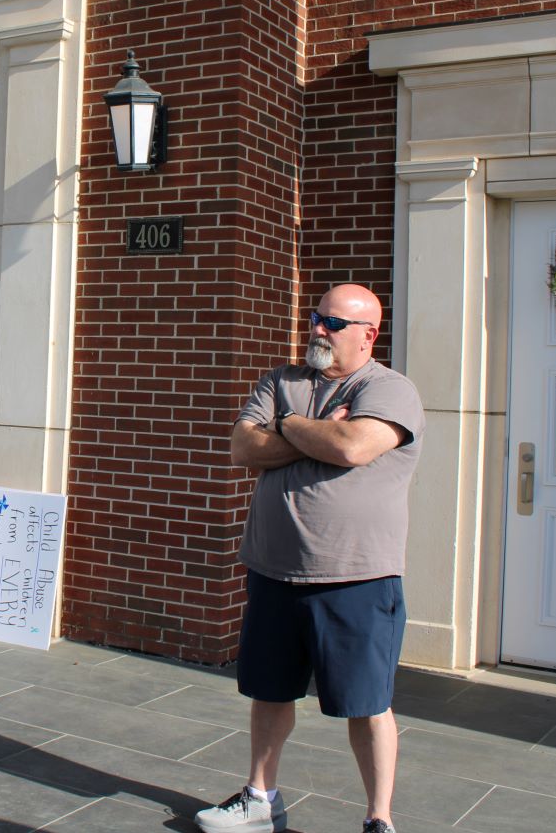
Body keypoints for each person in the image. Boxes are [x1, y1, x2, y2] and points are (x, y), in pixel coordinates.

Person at [196, 284, 424, 833]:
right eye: (316, 318)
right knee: (270, 691)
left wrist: (286, 425)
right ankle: (259, 798)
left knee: (366, 703)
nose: (318, 329)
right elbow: (242, 448)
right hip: (274, 570)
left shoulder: (390, 390)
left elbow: (353, 447)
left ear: (370, 334)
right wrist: (314, 431)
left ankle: (379, 818)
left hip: (355, 578)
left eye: (334, 323)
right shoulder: (281, 380)